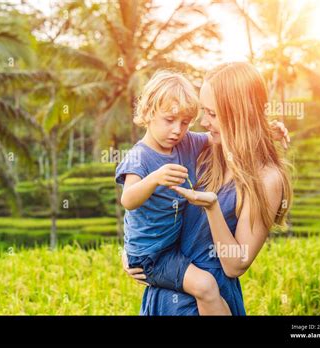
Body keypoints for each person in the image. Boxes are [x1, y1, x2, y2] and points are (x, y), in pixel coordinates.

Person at [116, 68, 290, 315]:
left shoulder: (265, 178)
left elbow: (235, 264)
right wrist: (133, 254)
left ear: (239, 115)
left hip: (209, 298)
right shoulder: (204, 154)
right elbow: (149, 207)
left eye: (212, 113)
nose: (203, 123)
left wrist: (212, 207)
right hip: (164, 294)